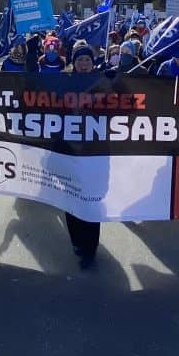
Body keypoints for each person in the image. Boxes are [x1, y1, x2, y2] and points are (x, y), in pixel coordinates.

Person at [63, 40, 103, 266]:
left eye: (88, 59)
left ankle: (90, 248)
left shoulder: (103, 80)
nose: (85, 63)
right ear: (74, 63)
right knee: (72, 198)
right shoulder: (64, 82)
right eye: (80, 60)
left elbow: (127, 100)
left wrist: (117, 80)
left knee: (92, 199)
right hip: (70, 152)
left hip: (97, 152)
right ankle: (77, 242)